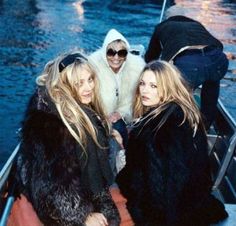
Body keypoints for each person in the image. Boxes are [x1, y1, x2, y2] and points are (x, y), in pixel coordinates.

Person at [116, 60, 228, 226]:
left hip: (164, 215)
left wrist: (122, 172)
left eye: (154, 86)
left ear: (168, 88)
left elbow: (155, 186)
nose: (145, 90)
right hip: (195, 205)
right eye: (142, 83)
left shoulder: (153, 131)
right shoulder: (184, 115)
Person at [15, 52, 121, 226]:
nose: (88, 88)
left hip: (76, 188)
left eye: (90, 79)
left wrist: (108, 134)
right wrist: (83, 217)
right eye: (79, 83)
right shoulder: (53, 126)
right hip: (60, 206)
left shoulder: (78, 109)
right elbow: (52, 185)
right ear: (65, 86)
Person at [144, 15, 229, 130]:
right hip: (218, 59)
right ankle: (205, 128)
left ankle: (177, 130)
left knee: (175, 100)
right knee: (210, 94)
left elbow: (151, 58)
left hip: (190, 63)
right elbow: (216, 45)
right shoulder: (196, 24)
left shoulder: (161, 27)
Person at [89, 28, 145, 147]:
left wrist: (121, 112)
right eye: (111, 52)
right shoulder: (92, 66)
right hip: (99, 115)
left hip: (125, 115)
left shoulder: (137, 67)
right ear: (104, 52)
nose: (116, 57)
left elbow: (138, 98)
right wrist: (101, 116)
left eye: (121, 53)